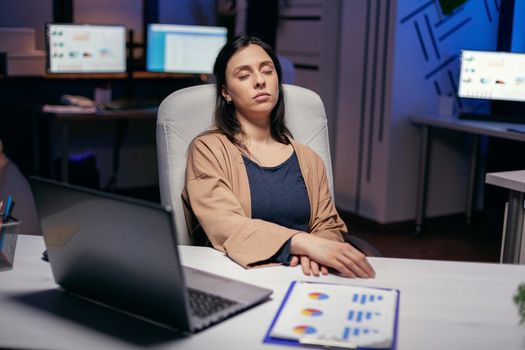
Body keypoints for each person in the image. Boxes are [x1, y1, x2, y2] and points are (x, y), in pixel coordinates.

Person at [182, 36, 375, 278]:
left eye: (267, 71)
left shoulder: (309, 159)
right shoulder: (208, 149)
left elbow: (327, 225)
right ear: (226, 92)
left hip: (308, 276)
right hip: (239, 276)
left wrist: (318, 251)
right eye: (244, 76)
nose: (260, 81)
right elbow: (225, 225)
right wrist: (304, 243)